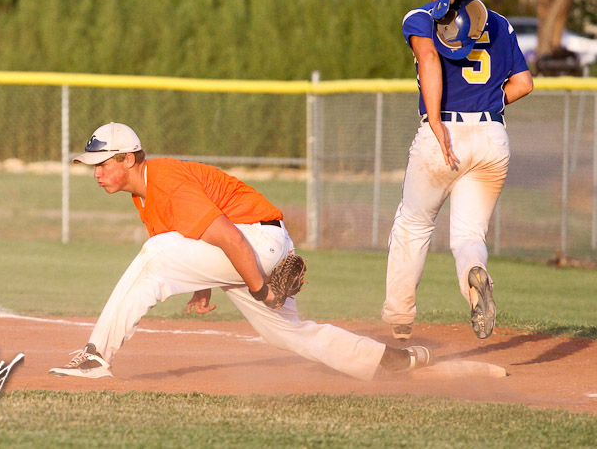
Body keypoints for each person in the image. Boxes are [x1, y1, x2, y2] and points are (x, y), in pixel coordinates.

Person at [49, 121, 434, 380]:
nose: (96, 172)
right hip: (256, 244)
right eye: (92, 165)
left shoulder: (165, 182)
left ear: (128, 159)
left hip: (254, 243)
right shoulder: (145, 193)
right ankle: (390, 361)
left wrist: (261, 290)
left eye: (101, 164)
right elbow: (194, 240)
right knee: (289, 335)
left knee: (153, 254)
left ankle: (96, 355)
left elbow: (228, 238)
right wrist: (201, 286)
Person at [383, 0, 533, 342]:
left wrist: (435, 120)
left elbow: (430, 59)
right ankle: (473, 277)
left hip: (444, 132)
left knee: (414, 224)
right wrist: (488, 104)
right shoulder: (499, 22)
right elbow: (524, 83)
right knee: (468, 236)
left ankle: (399, 319)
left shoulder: (421, 16)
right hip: (491, 134)